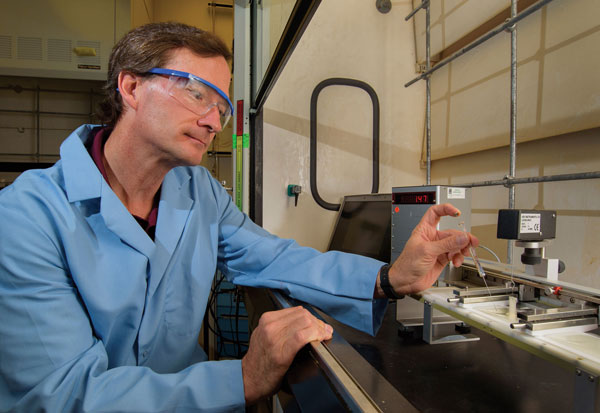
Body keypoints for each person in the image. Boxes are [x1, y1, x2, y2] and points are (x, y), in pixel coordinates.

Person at [0, 22, 478, 412]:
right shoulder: (26, 217)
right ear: (130, 87)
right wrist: (243, 379)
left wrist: (389, 279)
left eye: (222, 107)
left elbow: (272, 257)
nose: (213, 120)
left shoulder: (198, 191)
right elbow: (61, 397)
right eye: (196, 93)